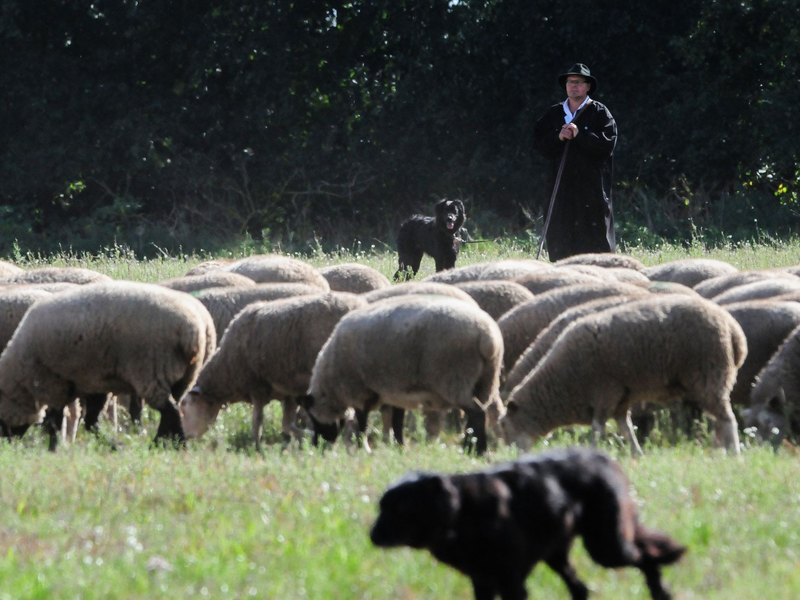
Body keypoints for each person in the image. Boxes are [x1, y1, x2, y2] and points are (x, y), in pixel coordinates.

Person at [533, 63, 617, 261]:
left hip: (591, 191)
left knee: (594, 242)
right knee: (560, 239)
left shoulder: (600, 113)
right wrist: (558, 137)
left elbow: (607, 146)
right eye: (570, 82)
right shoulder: (553, 114)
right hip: (560, 190)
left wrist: (581, 135)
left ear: (588, 86)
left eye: (579, 82)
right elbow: (539, 144)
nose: (574, 86)